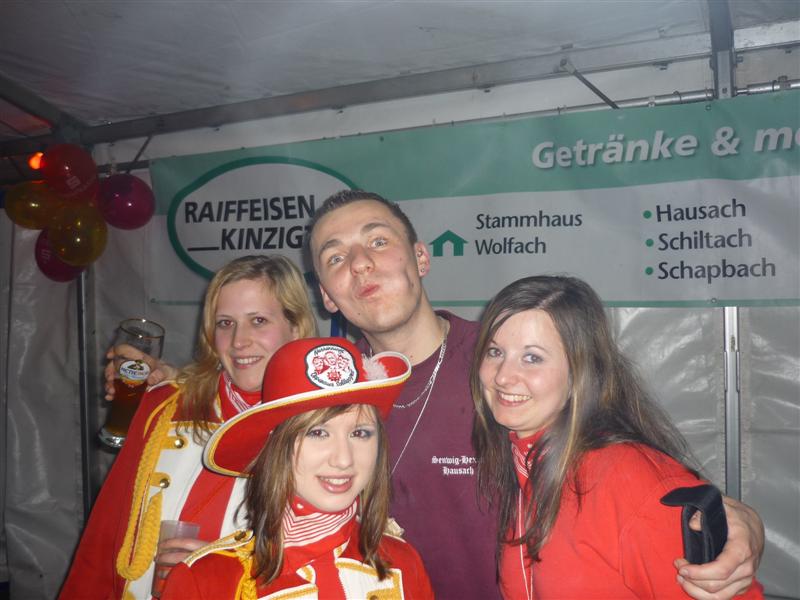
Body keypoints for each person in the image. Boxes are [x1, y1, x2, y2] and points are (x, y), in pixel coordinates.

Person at [306, 190, 764, 599]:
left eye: (378, 241)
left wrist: (737, 523)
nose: (360, 263)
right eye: (336, 257)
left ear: (421, 258)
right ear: (326, 295)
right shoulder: (324, 392)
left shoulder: (504, 371)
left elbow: (633, 478)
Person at [470, 275, 764, 599]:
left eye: (532, 358)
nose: (503, 376)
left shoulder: (630, 482)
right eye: (495, 351)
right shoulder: (522, 463)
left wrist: (746, 525)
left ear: (580, 372)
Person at [59, 255, 317, 600]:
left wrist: (226, 567)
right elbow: (104, 540)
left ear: (296, 327)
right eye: (225, 323)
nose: (238, 341)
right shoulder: (166, 406)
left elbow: (332, 562)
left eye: (258, 320)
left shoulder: (322, 425)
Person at [160, 337, 434, 599]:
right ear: (274, 445)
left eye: (360, 433)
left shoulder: (403, 563)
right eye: (317, 433)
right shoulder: (205, 580)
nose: (343, 460)